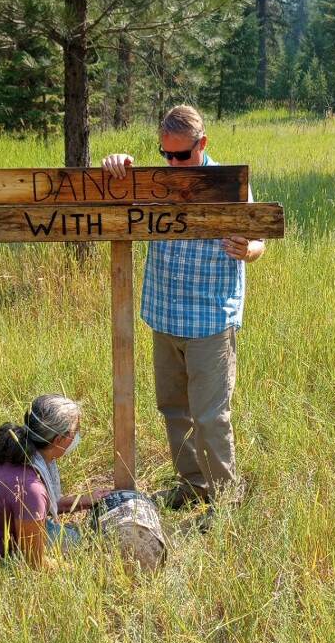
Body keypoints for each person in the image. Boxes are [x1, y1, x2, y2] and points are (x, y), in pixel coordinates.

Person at [102, 105, 265, 515]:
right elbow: (112, 194)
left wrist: (249, 249)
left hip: (210, 319)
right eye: (165, 155)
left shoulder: (229, 185)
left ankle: (224, 501)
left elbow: (260, 239)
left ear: (203, 144)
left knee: (210, 416)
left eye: (181, 156)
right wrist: (118, 165)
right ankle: (192, 487)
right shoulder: (156, 182)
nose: (173, 164)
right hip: (165, 315)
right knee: (174, 408)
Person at [0, 394, 109, 568]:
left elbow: (34, 506)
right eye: (75, 432)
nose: (77, 437)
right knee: (80, 544)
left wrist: (83, 501)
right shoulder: (30, 488)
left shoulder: (9, 450)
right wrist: (80, 569)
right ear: (59, 440)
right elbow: (35, 563)